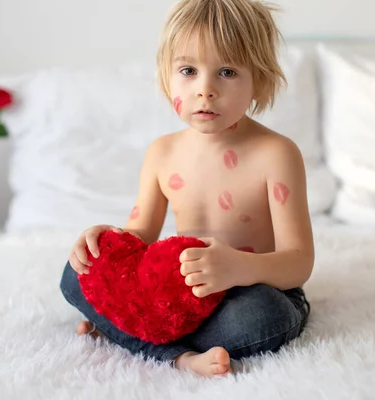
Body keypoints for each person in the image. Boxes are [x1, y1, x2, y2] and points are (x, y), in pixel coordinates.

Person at [60, 0, 314, 377]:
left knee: (264, 315)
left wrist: (239, 267)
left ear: (258, 80)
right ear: (167, 77)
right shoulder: (162, 153)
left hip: (251, 288)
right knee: (76, 272)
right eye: (189, 70)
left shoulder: (277, 154)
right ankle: (178, 356)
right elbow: (138, 236)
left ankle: (129, 335)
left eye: (227, 71)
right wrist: (106, 240)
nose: (205, 90)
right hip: (180, 295)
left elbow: (299, 262)